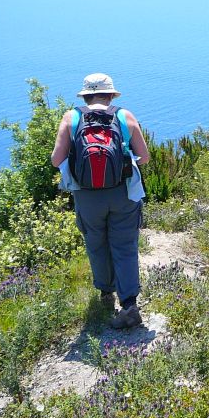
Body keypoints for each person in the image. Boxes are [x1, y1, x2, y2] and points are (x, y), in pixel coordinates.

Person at [51, 73, 150, 328]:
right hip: (123, 193)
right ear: (110, 95)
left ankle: (106, 295)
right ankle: (129, 304)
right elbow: (145, 157)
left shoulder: (71, 118)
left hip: (86, 196)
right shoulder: (124, 116)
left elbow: (55, 159)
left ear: (85, 95)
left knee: (96, 243)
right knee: (125, 246)